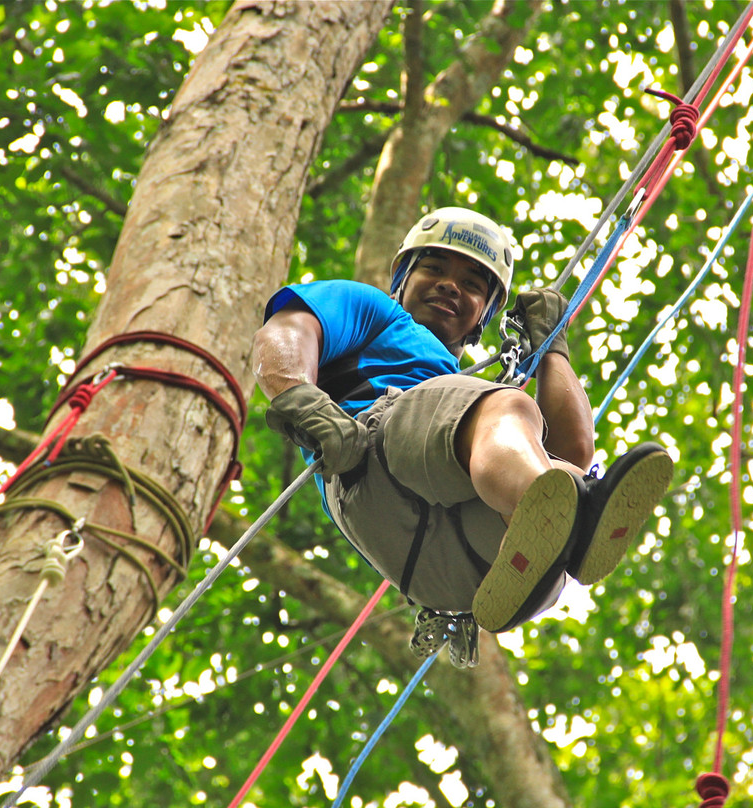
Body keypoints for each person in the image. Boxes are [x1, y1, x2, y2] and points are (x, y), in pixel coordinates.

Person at [251, 206, 673, 661]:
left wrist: (554, 346)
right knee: (509, 409)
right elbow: (290, 329)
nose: (451, 284)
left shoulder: (474, 404)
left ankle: (560, 534)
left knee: (559, 473)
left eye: (473, 285)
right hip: (369, 461)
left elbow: (571, 451)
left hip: (446, 571)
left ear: (484, 315)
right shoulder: (374, 311)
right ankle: (561, 518)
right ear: (402, 278)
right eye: (434, 267)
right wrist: (302, 399)